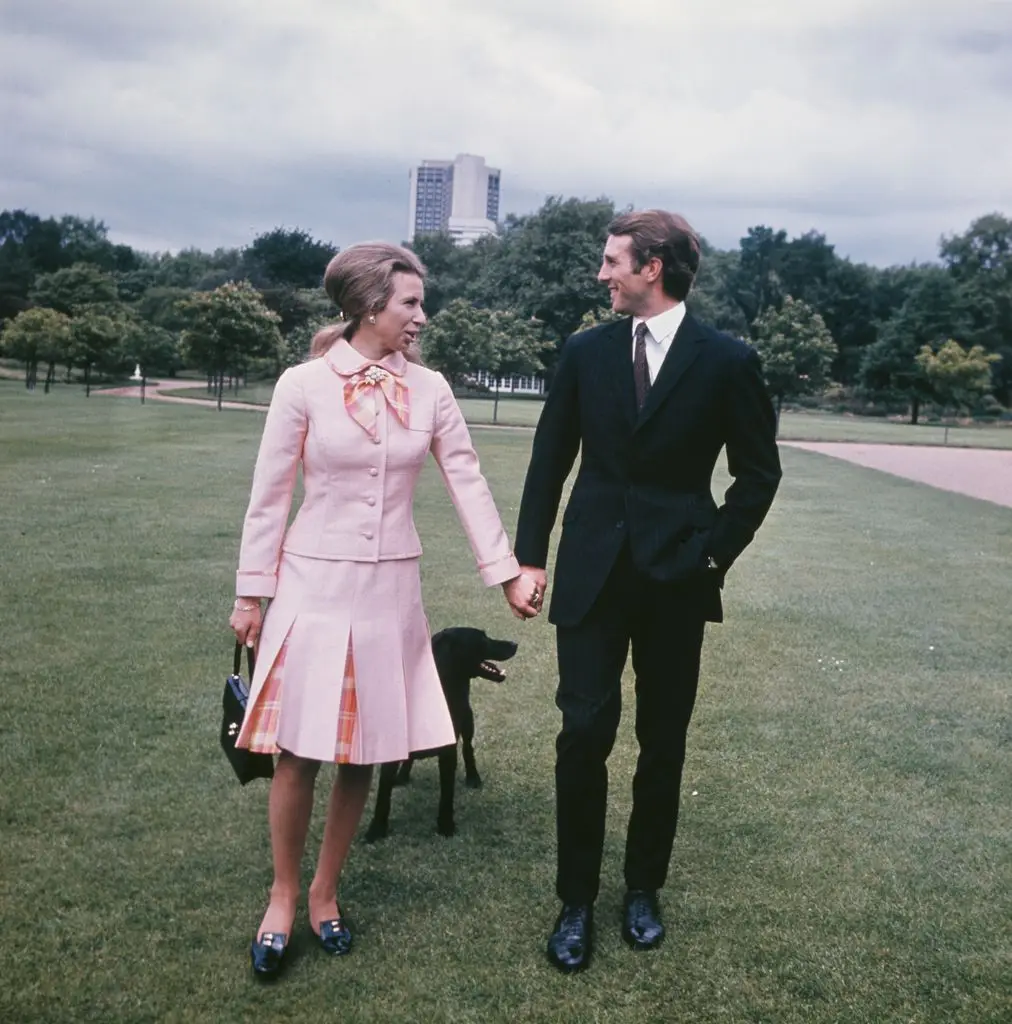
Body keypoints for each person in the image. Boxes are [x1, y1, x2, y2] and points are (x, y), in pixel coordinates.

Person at [229, 241, 541, 978]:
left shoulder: (431, 391)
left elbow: (465, 479)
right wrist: (251, 591)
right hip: (311, 584)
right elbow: (270, 494)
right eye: (410, 303)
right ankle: (281, 897)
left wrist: (506, 575)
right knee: (299, 750)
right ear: (369, 306)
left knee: (366, 748)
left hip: (388, 592)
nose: (421, 317)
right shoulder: (301, 384)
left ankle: (324, 894)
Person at [514, 210, 782, 973]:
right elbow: (548, 462)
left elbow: (759, 475)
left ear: (653, 266)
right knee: (582, 736)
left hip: (676, 582)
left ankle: (642, 889)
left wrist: (711, 560)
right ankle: (575, 900)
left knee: (662, 743)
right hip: (591, 576)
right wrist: (529, 558)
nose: (602, 275)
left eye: (611, 262)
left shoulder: (726, 359)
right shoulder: (583, 352)